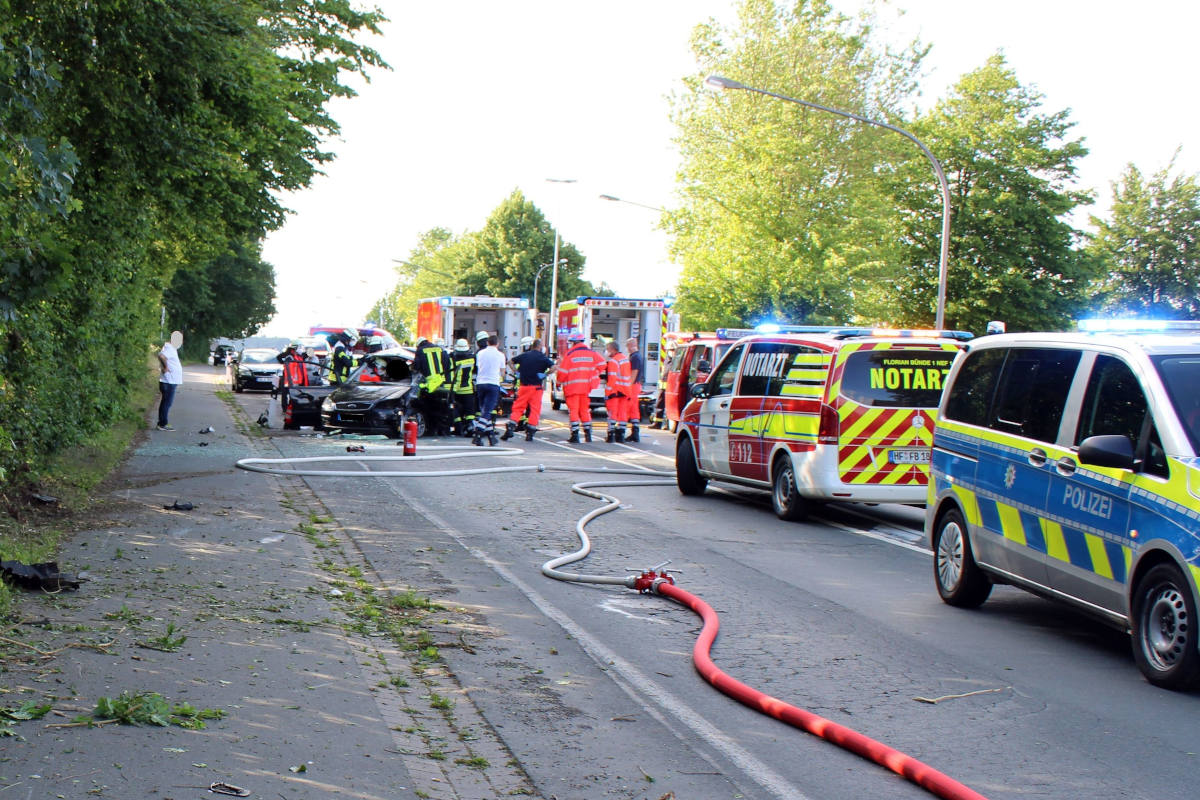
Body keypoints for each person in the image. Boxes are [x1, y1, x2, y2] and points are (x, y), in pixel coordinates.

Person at [501, 338, 555, 442]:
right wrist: (545, 374)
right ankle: (530, 433)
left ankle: (511, 427)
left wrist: (516, 371)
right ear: (540, 346)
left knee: (518, 408)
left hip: (524, 387)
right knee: (535, 410)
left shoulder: (524, 356)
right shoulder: (542, 358)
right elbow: (553, 367)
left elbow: (510, 362)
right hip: (536, 388)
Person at [557, 329, 603, 443]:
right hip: (586, 387)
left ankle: (575, 434)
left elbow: (562, 372)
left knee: (574, 410)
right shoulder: (591, 353)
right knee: (584, 410)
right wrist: (594, 372)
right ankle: (588, 434)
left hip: (572, 388)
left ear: (573, 342)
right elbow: (602, 364)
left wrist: (558, 382)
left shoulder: (570, 354)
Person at [473, 333, 506, 446]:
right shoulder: (500, 355)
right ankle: (478, 434)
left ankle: (491, 436)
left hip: (480, 383)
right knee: (487, 412)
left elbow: (478, 367)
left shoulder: (480, 353)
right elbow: (502, 372)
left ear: (487, 342)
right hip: (493, 384)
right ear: (498, 343)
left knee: (483, 410)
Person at [414, 336, 451, 436]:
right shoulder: (438, 349)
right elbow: (447, 364)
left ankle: (431, 430)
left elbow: (416, 367)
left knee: (429, 408)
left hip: (429, 384)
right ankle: (443, 430)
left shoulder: (420, 351)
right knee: (441, 407)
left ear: (419, 344)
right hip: (441, 383)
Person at [604, 340, 632, 443]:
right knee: (623, 413)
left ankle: (611, 435)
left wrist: (607, 393)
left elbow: (612, 378)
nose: (607, 352)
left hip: (615, 391)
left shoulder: (614, 361)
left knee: (612, 413)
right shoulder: (625, 359)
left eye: (607, 349)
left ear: (613, 349)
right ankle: (621, 435)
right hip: (625, 391)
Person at [156, 330, 184, 431]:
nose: (181, 342)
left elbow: (161, 355)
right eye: (180, 340)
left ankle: (162, 423)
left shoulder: (170, 348)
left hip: (169, 381)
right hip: (169, 381)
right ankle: (162, 424)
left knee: (166, 402)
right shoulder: (170, 348)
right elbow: (161, 356)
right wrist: (165, 367)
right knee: (167, 403)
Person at [449, 339, 478, 436]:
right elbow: (475, 371)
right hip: (468, 389)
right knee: (470, 411)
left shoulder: (453, 358)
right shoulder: (472, 358)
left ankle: (458, 428)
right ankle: (470, 428)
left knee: (456, 409)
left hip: (456, 389)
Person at [625, 337, 644, 442]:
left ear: (630, 345)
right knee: (634, 410)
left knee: (627, 408)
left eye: (627, 346)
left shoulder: (635, 357)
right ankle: (635, 432)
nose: (627, 348)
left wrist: (628, 385)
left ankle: (620, 431)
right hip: (636, 385)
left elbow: (634, 372)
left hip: (633, 386)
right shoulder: (637, 356)